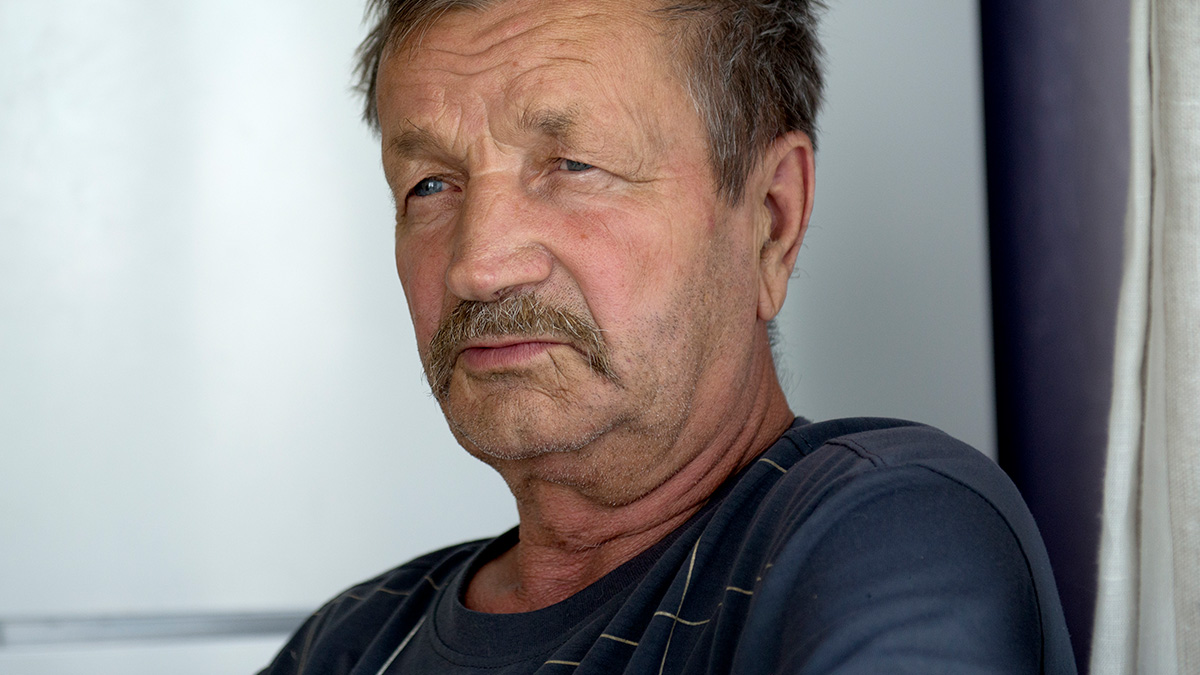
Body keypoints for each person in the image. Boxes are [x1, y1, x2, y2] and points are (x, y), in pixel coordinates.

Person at [261, 0, 1076, 672]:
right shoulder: (351, 642)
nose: (477, 265)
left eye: (573, 165)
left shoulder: (883, 528)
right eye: (431, 185)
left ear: (770, 223)